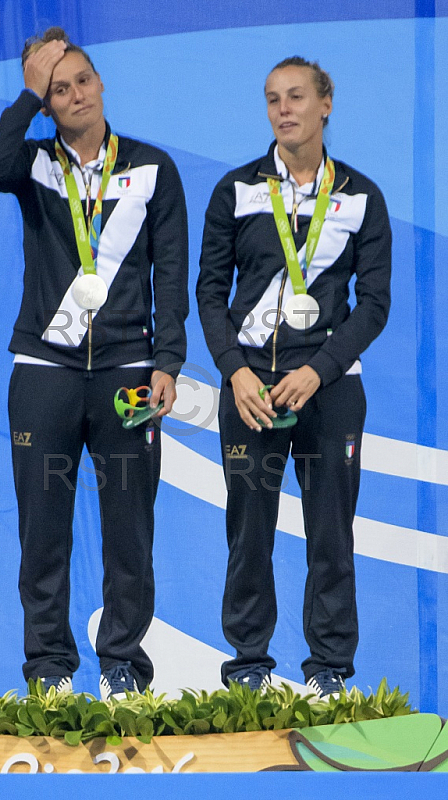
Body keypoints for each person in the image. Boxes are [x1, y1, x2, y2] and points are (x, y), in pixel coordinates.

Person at [0, 27, 188, 699]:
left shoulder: (151, 169)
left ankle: (122, 667)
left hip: (129, 373)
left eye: (81, 81)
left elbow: (172, 274)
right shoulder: (32, 164)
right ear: (47, 102)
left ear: (101, 86)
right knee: (44, 531)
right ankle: (49, 671)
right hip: (43, 372)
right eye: (58, 89)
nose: (73, 95)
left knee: (130, 529)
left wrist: (169, 359)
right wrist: (26, 92)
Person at [196, 57, 391, 699]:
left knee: (331, 532)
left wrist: (319, 369)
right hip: (251, 391)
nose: (284, 110)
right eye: (273, 99)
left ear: (326, 104)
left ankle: (330, 673)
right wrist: (234, 372)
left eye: (298, 96)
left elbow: (375, 304)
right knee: (248, 529)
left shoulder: (361, 195)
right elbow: (208, 291)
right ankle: (248, 666)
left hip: (329, 390)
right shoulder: (235, 191)